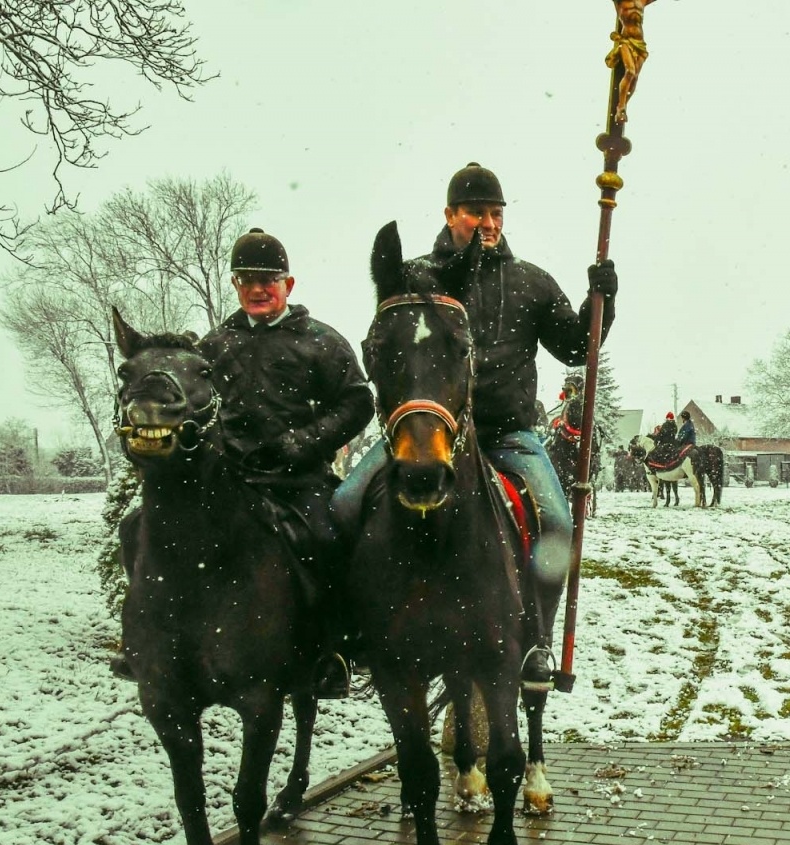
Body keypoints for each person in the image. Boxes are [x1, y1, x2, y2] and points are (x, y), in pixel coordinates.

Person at [333, 162, 616, 691]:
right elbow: (386, 344)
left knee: (557, 524)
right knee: (345, 504)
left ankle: (536, 638)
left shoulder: (530, 282)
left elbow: (578, 347)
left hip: (507, 433)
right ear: (450, 214)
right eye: (475, 212)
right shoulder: (416, 276)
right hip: (421, 435)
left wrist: (602, 301)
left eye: (495, 212)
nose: (487, 222)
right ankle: (352, 634)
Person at [115, 228, 373, 697]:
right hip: (230, 482)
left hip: (300, 482)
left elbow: (357, 403)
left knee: (330, 536)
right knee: (136, 528)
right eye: (247, 279)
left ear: (288, 285)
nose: (258, 289)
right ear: (235, 284)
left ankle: (333, 651)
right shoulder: (213, 348)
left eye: (268, 279)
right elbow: (192, 408)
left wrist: (305, 441)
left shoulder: (321, 341)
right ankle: (149, 641)